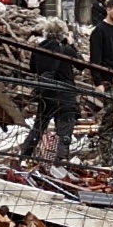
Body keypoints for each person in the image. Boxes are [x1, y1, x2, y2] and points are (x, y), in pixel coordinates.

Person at [17, 22, 85, 175]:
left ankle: (24, 157)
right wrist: (71, 45)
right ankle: (60, 163)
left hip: (46, 93)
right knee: (64, 130)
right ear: (62, 34)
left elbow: (32, 68)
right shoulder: (66, 49)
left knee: (39, 126)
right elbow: (81, 65)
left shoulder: (38, 49)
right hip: (65, 94)